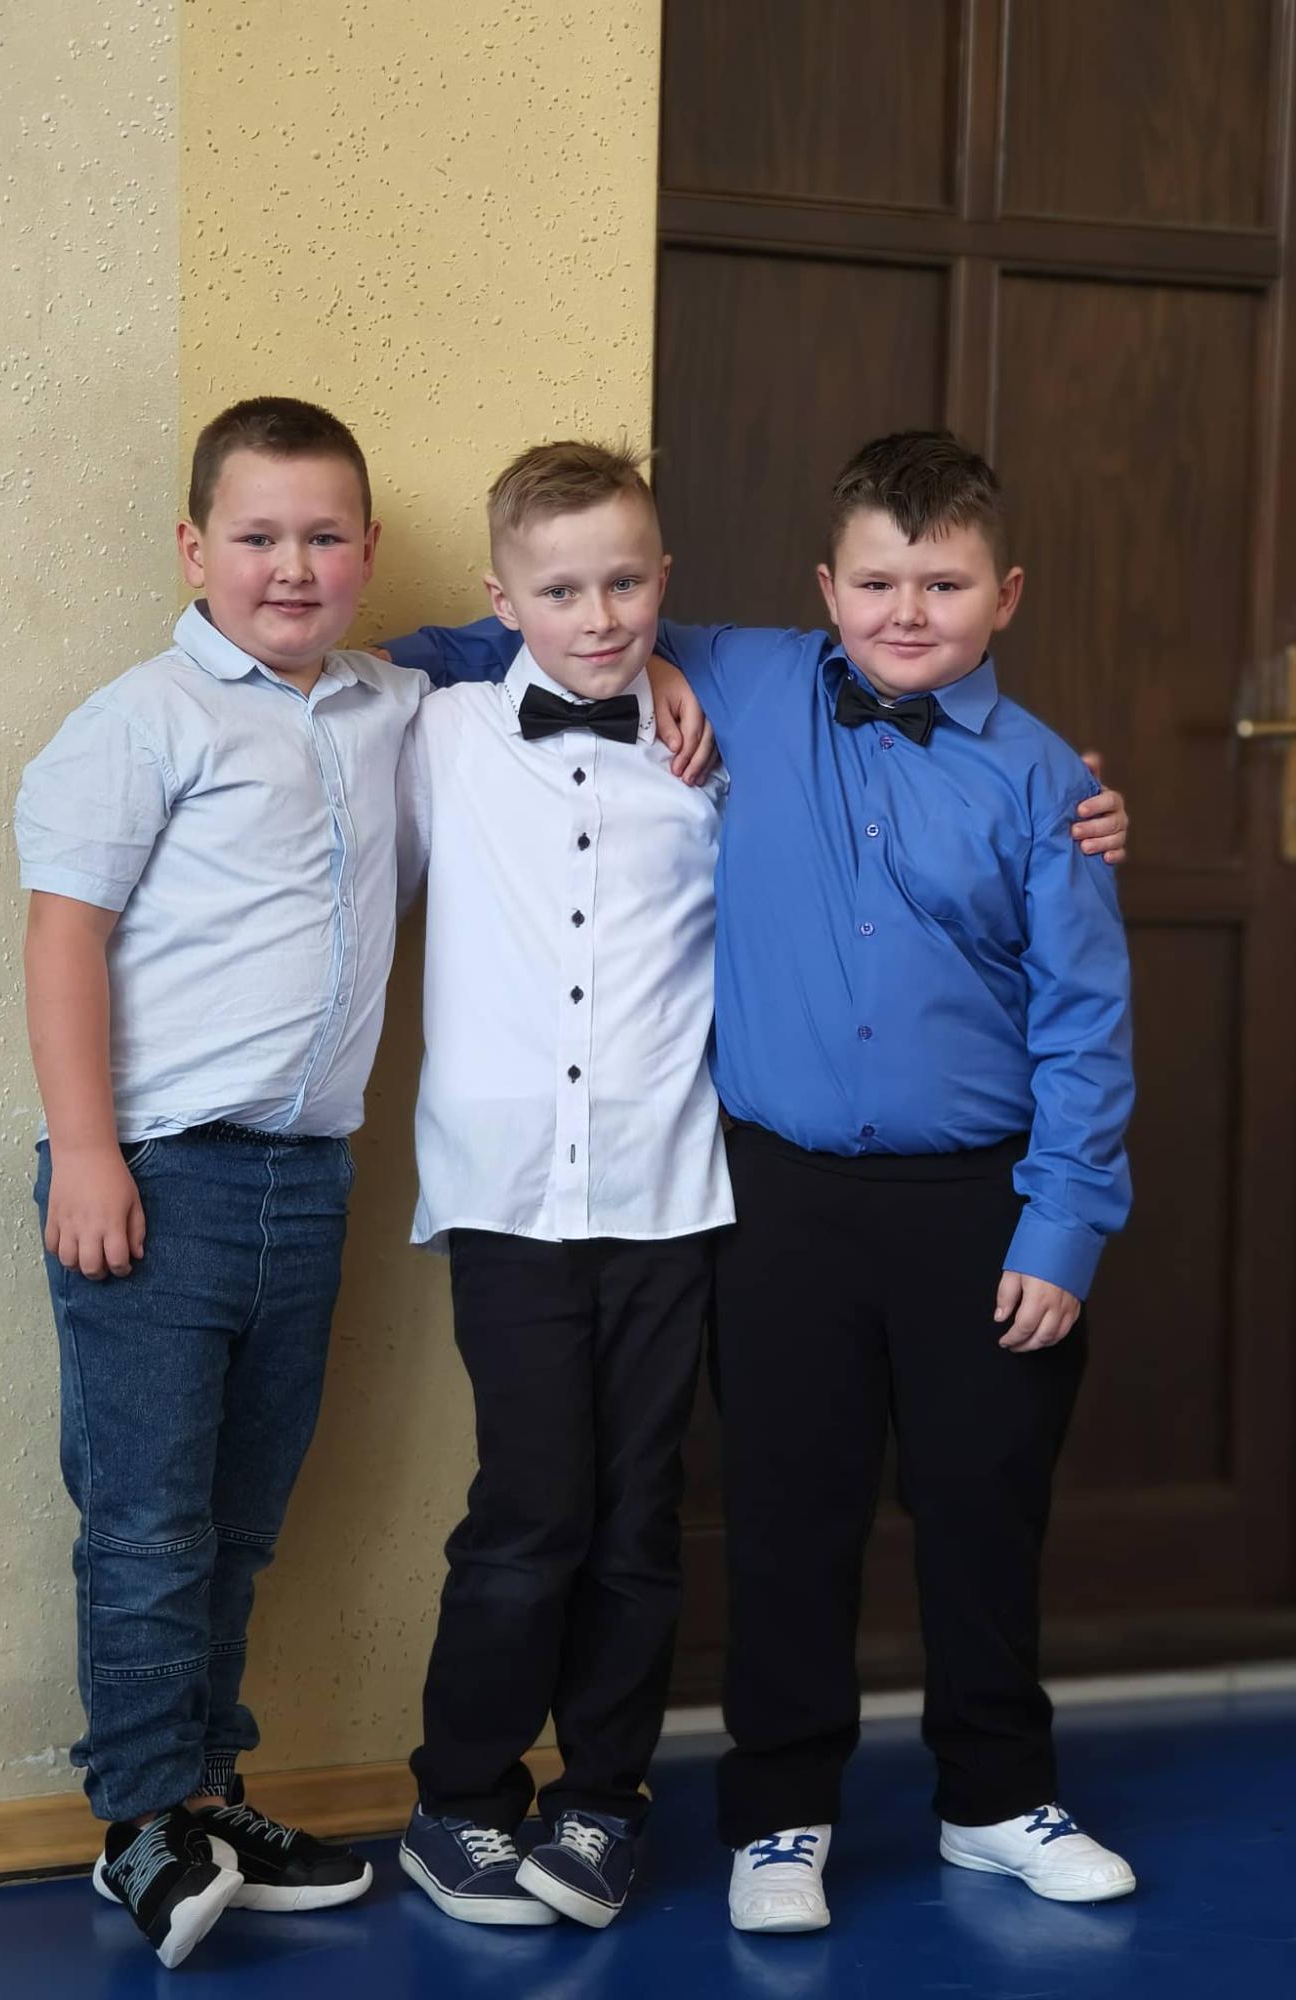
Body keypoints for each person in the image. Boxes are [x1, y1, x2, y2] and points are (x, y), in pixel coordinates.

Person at [386, 429, 1135, 1934]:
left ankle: (997, 1797)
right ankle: (781, 1816)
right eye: (877, 582)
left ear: (1005, 596)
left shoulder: (1047, 779)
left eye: (945, 584)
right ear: (824, 589)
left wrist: (1065, 1224)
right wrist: (637, 657)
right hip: (779, 1196)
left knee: (984, 1504)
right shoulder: (740, 674)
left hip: (982, 1199)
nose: (907, 611)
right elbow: (509, 637)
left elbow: (1085, 1019)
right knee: (790, 1510)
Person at [15, 397, 423, 1966]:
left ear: (368, 550)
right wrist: (90, 1150)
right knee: (146, 1524)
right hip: (154, 1180)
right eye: (257, 537)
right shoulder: (145, 719)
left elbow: (525, 646)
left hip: (304, 1183)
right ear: (195, 549)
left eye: (324, 537)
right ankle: (137, 1820)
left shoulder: (390, 706)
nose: (292, 566)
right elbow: (65, 934)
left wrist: (655, 674)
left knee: (241, 1520)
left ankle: (206, 1791)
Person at [391, 442, 731, 1931]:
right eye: (561, 590)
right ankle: (459, 1800)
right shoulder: (443, 728)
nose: (599, 617)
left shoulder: (714, 752)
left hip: (668, 1189)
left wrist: (1070, 806)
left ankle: (603, 1801)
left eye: (626, 583)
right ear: (501, 599)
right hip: (508, 1197)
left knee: (641, 1515)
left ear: (666, 581)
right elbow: (327, 663)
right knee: (529, 1508)